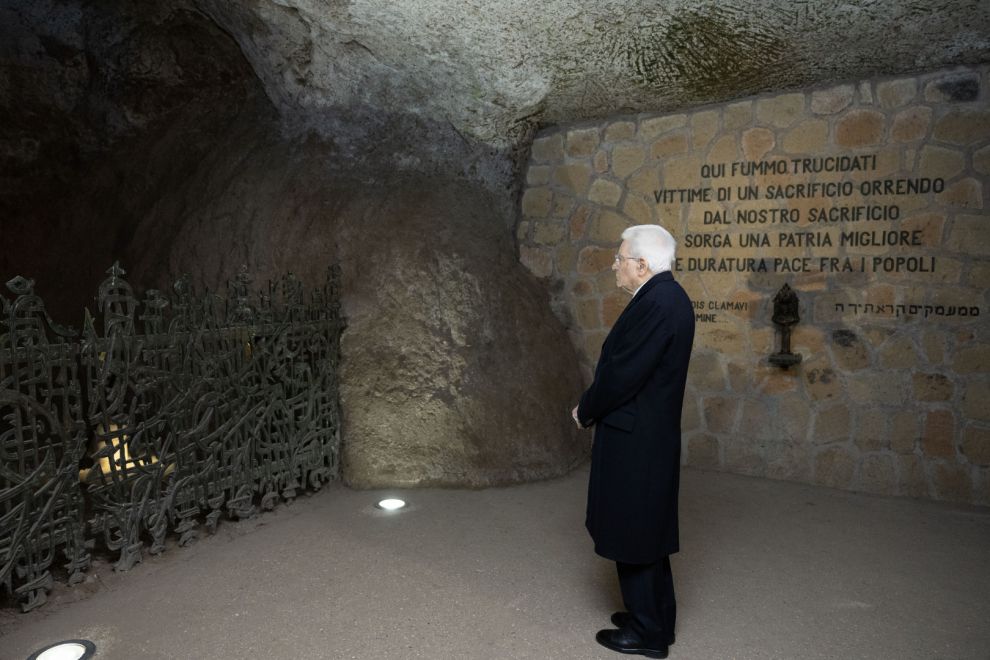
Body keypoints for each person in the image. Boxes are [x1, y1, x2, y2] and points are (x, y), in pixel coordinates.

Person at [571, 224, 695, 659]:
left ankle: (648, 634)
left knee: (634, 530)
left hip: (636, 437)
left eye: (620, 259)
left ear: (642, 265)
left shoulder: (657, 303)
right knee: (648, 529)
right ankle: (656, 616)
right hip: (646, 433)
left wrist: (586, 408)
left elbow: (623, 373)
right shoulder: (667, 297)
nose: (615, 266)